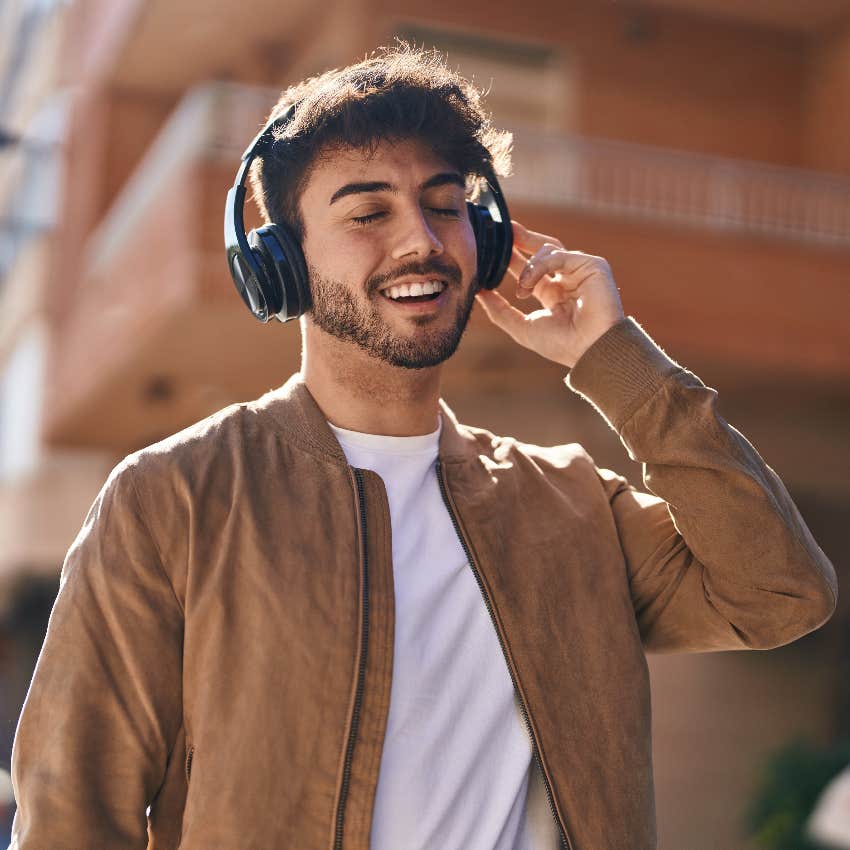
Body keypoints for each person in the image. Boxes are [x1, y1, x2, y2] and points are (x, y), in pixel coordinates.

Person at [9, 45, 837, 850]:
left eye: (445, 206)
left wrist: (617, 362)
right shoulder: (175, 498)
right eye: (368, 213)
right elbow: (74, 817)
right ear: (283, 262)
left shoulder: (572, 502)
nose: (421, 242)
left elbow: (779, 593)